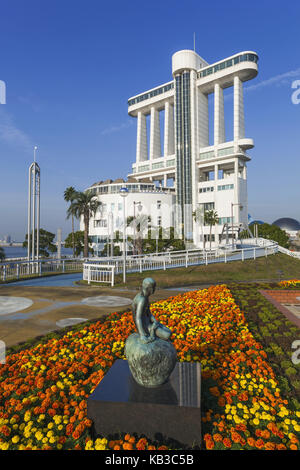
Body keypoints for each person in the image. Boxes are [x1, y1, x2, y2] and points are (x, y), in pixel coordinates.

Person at [131, 278, 171, 344]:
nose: (155, 289)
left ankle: (153, 329)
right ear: (150, 288)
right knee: (167, 335)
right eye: (154, 287)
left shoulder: (145, 297)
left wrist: (154, 321)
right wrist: (142, 335)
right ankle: (151, 331)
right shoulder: (142, 300)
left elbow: (148, 313)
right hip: (145, 326)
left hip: (149, 322)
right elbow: (138, 318)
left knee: (168, 331)